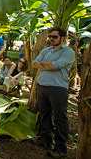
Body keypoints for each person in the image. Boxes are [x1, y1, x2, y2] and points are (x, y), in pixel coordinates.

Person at [32, 27, 75, 158]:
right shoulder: (46, 50)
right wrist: (48, 64)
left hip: (58, 88)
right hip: (42, 86)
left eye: (54, 37)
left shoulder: (68, 52)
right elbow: (34, 63)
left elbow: (55, 65)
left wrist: (44, 64)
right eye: (49, 36)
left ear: (62, 38)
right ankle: (45, 141)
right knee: (44, 114)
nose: (51, 39)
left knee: (59, 118)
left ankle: (60, 148)